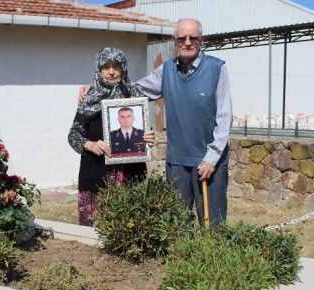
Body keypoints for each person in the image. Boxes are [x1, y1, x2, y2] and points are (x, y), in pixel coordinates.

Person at [79, 18, 232, 228]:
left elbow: (225, 118)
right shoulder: (166, 70)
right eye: (182, 38)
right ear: (174, 41)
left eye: (193, 37)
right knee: (178, 227)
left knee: (214, 225)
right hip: (177, 162)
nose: (187, 42)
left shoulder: (217, 69)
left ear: (201, 39)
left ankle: (218, 262)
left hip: (209, 162)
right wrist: (97, 87)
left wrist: (212, 158)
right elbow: (133, 91)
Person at [68, 48, 147, 227]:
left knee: (131, 225)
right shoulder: (89, 98)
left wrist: (147, 137)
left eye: (116, 66)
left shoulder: (134, 95)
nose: (111, 72)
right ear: (99, 70)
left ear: (123, 68)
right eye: (106, 67)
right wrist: (89, 144)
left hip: (130, 172)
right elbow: (73, 135)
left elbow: (144, 131)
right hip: (96, 171)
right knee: (95, 230)